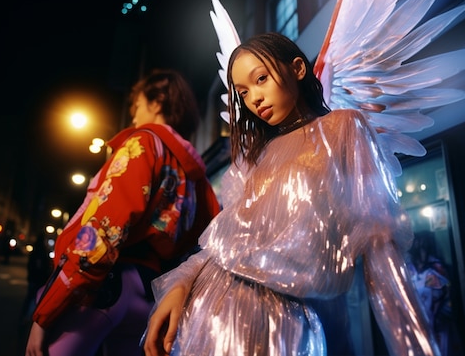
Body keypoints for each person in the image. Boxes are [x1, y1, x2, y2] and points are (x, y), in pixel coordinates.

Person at [143, 33, 441, 356]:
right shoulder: (258, 156)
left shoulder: (343, 128)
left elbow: (380, 244)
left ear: (298, 68)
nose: (254, 98)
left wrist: (417, 348)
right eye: (242, 93)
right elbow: (224, 242)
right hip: (213, 311)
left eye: (261, 79)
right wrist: (181, 284)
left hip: (286, 323)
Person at [25, 69, 221, 356]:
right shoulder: (198, 179)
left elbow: (102, 232)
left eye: (137, 106)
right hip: (151, 296)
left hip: (108, 285)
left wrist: (46, 314)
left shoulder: (141, 144)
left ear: (156, 103)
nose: (134, 116)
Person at [19, 232, 53, 325]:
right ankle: (28, 317)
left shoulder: (35, 251)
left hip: (33, 278)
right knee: (34, 298)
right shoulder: (41, 253)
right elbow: (40, 267)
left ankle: (25, 316)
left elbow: (31, 265)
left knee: (30, 297)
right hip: (38, 279)